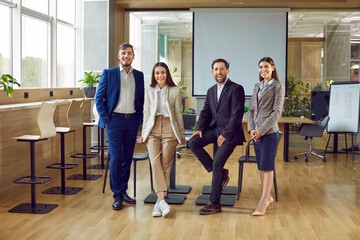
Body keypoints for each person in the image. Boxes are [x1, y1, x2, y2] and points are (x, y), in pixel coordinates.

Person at [188, 58, 245, 215]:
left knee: (218, 163)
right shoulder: (210, 90)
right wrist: (199, 128)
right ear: (212, 72)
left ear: (227, 71)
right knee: (192, 143)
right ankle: (220, 173)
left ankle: (214, 203)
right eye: (216, 69)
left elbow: (236, 115)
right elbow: (205, 112)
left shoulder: (236, 89)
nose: (219, 72)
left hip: (230, 134)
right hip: (214, 130)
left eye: (222, 69)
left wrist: (225, 135)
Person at [95, 43, 144, 210]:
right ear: (119, 56)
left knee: (127, 158)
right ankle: (116, 195)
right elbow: (98, 98)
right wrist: (106, 119)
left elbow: (141, 100)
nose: (126, 56)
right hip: (114, 122)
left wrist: (140, 120)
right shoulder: (109, 74)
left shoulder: (139, 75)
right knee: (116, 158)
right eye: (123, 53)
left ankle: (123, 191)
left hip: (132, 122)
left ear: (133, 56)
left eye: (129, 53)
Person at [137, 62, 186, 217]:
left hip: (169, 129)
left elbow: (179, 114)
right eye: (157, 73)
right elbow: (146, 112)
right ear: (154, 75)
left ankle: (159, 204)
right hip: (153, 129)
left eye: (163, 72)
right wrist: (144, 133)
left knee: (166, 163)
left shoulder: (175, 90)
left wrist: (182, 135)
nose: (160, 75)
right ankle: (161, 200)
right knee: (155, 162)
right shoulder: (149, 89)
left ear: (167, 74)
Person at [247, 57, 285, 216]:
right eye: (261, 67)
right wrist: (251, 130)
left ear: (273, 68)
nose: (263, 70)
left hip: (269, 133)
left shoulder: (278, 86)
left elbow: (276, 113)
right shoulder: (257, 86)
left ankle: (263, 202)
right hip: (256, 134)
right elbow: (251, 111)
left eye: (267, 67)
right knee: (261, 167)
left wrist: (261, 130)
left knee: (267, 166)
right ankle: (267, 196)